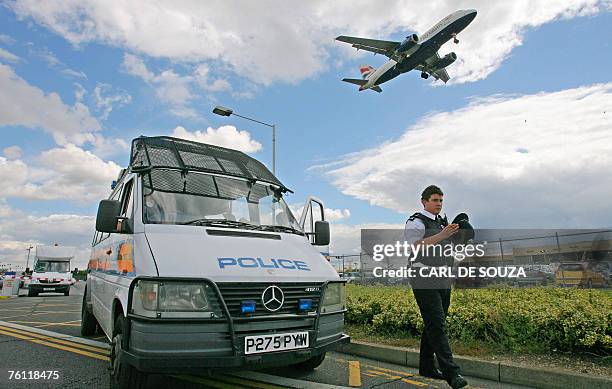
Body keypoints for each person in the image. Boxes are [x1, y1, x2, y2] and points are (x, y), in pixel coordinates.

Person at [404, 185, 468, 389]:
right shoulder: (415, 221)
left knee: (434, 323)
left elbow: (448, 247)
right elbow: (415, 246)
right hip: (423, 276)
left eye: (441, 200)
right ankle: (453, 373)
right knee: (438, 324)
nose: (439, 204)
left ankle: (426, 367)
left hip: (442, 276)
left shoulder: (442, 222)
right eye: (434, 200)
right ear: (424, 201)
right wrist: (444, 234)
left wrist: (460, 237)